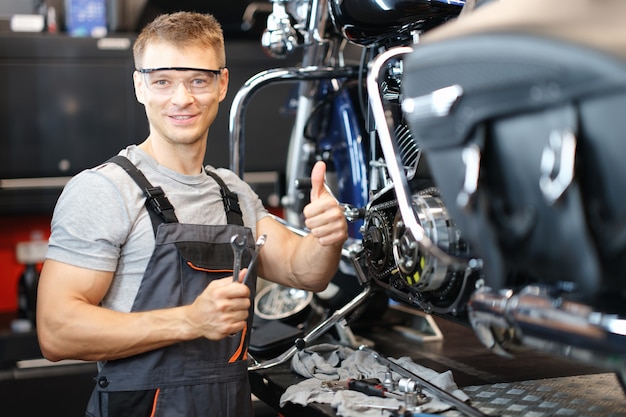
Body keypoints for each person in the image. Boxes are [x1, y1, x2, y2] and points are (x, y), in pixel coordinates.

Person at [35, 11, 348, 417]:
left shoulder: (232, 193)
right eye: (163, 80)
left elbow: (304, 272)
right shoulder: (105, 190)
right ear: (139, 86)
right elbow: (56, 332)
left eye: (198, 80)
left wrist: (327, 237)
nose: (181, 99)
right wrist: (190, 321)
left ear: (221, 84)